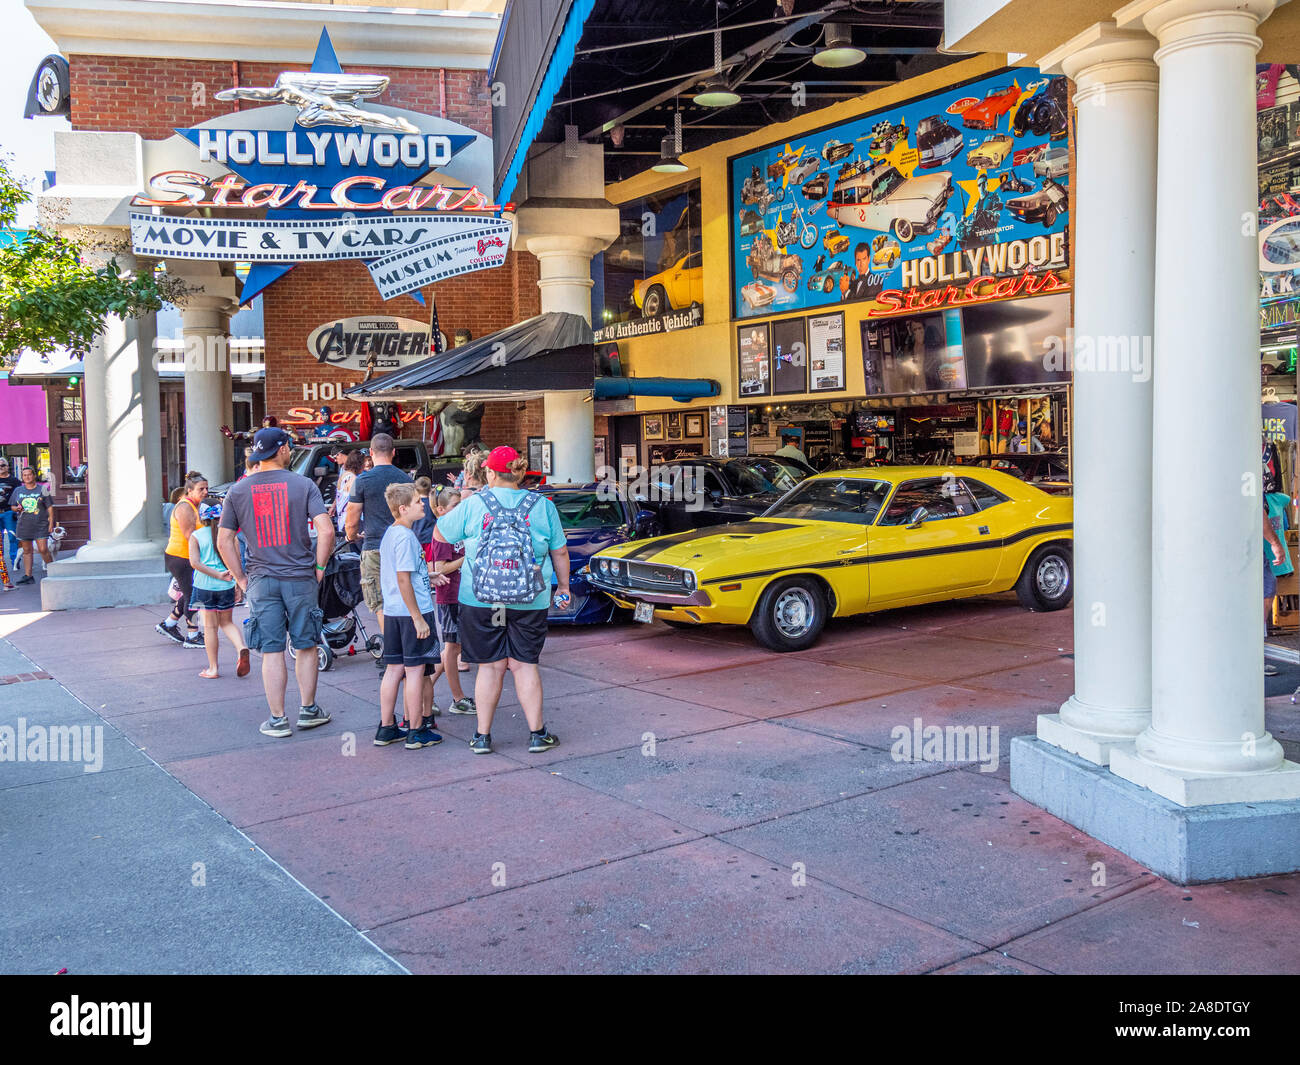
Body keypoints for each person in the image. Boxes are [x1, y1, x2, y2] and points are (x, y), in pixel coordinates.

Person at [433, 446, 567, 755]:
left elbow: (440, 534)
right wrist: (562, 587)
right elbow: (559, 550)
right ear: (518, 472)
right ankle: (537, 734)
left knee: (490, 668)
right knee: (524, 665)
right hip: (529, 598)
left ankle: (482, 736)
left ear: (490, 473)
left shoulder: (473, 504)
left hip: (481, 599)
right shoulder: (542, 505)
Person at [217, 427, 335, 738]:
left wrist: (241, 577)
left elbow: (224, 540)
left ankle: (278, 718)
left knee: (272, 650)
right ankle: (308, 710)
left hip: (261, 578)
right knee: (306, 645)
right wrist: (319, 567)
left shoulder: (238, 491)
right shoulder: (303, 484)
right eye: (289, 446)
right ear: (281, 449)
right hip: (299, 577)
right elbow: (326, 531)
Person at [375, 481, 445, 750]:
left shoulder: (392, 534)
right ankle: (416, 730)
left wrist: (428, 575)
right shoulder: (406, 537)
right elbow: (403, 579)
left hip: (394, 611)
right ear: (403, 508)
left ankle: (387, 727)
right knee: (415, 671)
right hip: (411, 612)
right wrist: (417, 617)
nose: (422, 504)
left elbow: (404, 575)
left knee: (394, 669)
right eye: (417, 501)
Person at [344, 433, 411, 640]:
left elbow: (352, 517)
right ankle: (406, 645)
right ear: (393, 452)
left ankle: (391, 652)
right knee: (404, 596)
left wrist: (351, 536)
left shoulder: (362, 480)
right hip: (402, 546)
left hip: (374, 546)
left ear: (371, 453)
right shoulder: (406, 480)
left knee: (380, 601)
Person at [187, 502, 250, 680]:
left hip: (204, 587)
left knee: (210, 628)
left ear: (201, 517)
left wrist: (217, 575)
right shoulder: (231, 537)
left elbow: (195, 563)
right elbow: (237, 563)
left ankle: (213, 668)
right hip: (227, 586)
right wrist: (238, 586)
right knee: (227, 622)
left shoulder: (196, 536)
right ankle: (240, 647)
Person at [430, 488, 475, 716]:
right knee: (451, 647)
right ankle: (457, 698)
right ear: (441, 510)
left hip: (462, 594)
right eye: (455, 506)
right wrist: (467, 558)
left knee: (455, 647)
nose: (460, 510)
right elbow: (440, 569)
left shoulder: (459, 530)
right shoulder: (443, 533)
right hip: (448, 597)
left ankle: (424, 691)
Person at [157, 471, 208, 647]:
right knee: (192, 595)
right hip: (181, 557)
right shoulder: (185, 507)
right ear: (189, 491)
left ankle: (169, 624)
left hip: (188, 557)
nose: (205, 492)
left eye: (206, 488)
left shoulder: (195, 506)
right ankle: (193, 635)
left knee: (189, 592)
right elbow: (190, 535)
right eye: (201, 489)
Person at [10, 466, 55, 588]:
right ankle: (28, 576)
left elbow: (50, 507)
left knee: (43, 549)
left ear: (34, 475)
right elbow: (12, 506)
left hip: (40, 524)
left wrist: (51, 523)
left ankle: (54, 572)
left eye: (29, 474)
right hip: (24, 524)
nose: (27, 477)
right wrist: (17, 508)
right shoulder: (18, 490)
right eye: (24, 475)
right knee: (27, 550)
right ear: (22, 477)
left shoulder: (43, 489)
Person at [0, 458, 23, 575]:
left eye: (3, 465)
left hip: (9, 512)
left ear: (7, 466)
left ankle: (15, 560)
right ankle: (1, 564)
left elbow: (20, 496)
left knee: (12, 537)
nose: (1, 467)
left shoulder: (14, 481)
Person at [333, 449, 364, 535]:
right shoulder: (353, 479)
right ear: (359, 464)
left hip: (342, 520)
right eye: (363, 463)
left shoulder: (343, 476)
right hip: (352, 521)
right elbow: (353, 500)